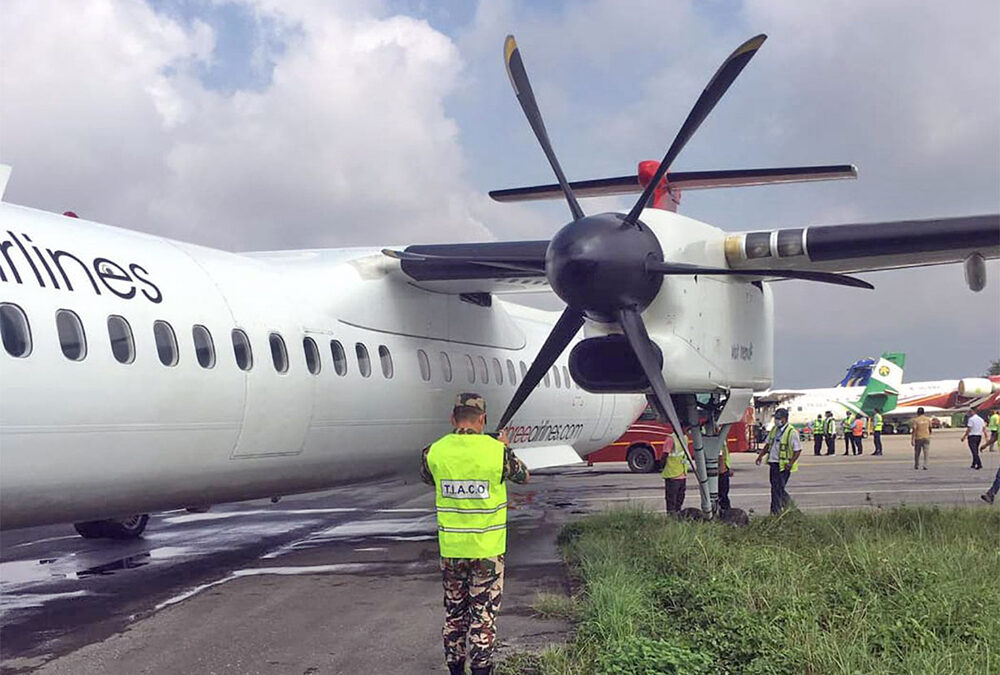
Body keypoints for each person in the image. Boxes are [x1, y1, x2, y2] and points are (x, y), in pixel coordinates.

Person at [421, 393, 529, 675]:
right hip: (487, 551)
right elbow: (523, 476)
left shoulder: (434, 451)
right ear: (483, 419)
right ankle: (481, 670)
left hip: (452, 551)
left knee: (455, 615)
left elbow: (427, 476)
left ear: (452, 418)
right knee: (483, 616)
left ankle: (455, 669)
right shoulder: (496, 452)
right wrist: (505, 447)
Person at [755, 408, 801, 515]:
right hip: (773, 464)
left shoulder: (791, 432)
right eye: (776, 418)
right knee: (777, 488)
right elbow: (768, 445)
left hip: (784, 466)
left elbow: (797, 450)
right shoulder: (774, 430)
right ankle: (790, 509)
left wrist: (790, 463)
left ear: (785, 419)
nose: (776, 420)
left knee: (777, 489)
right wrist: (761, 455)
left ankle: (776, 512)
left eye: (779, 418)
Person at [661, 439, 687, 513]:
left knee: (680, 498)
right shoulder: (671, 439)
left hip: (682, 473)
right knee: (672, 500)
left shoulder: (684, 438)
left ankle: (677, 514)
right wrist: (661, 466)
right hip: (672, 475)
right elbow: (665, 455)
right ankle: (672, 517)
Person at [717, 441, 732, 511]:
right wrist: (722, 469)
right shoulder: (717, 438)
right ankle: (724, 511)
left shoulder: (721, 439)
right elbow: (721, 455)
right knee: (722, 494)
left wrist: (728, 467)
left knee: (723, 493)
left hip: (724, 470)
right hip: (721, 471)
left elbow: (725, 454)